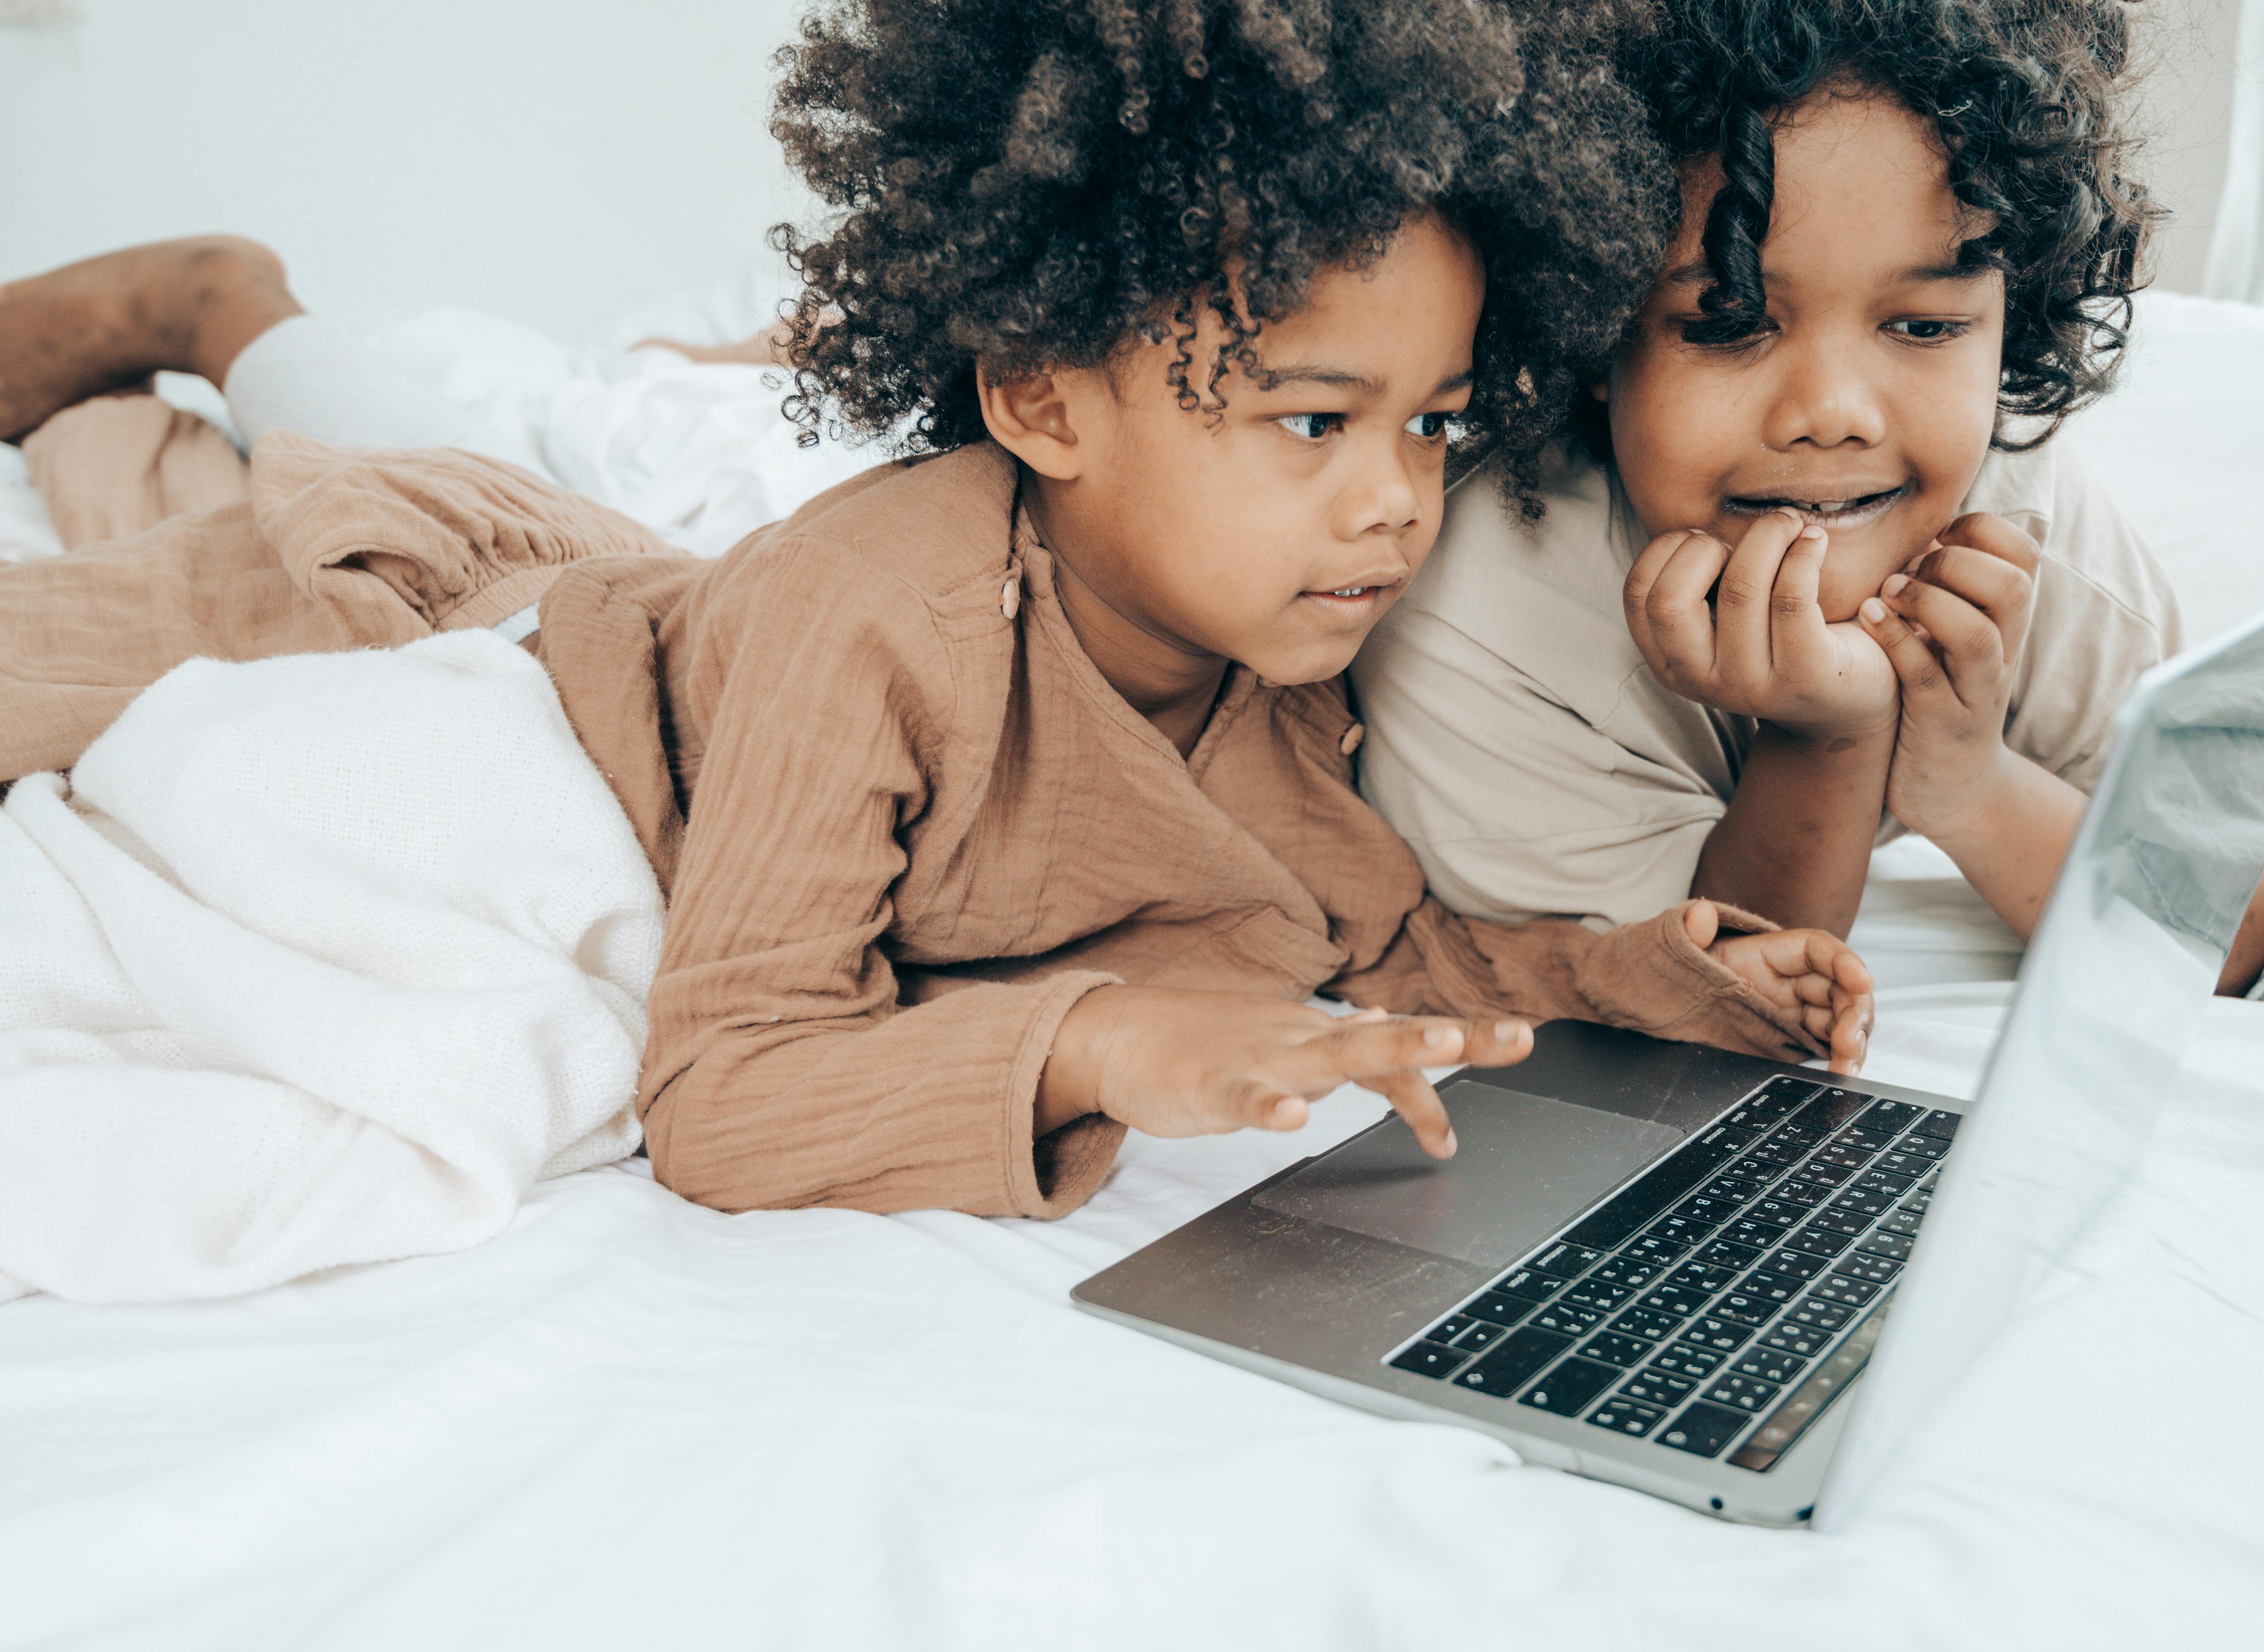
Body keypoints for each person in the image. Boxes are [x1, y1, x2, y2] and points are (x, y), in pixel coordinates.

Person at [0, 0, 1873, 1220]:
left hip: (635, 568)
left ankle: (249, 325)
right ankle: (215, 304)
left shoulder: (1287, 657)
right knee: (176, 590)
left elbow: (1377, 958)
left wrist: (1629, 974)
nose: (1396, 498)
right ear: (1043, 393)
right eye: (1313, 418)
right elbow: (724, 1087)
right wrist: (1087, 1042)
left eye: (1437, 422)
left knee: (480, 449)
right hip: (434, 641)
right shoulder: (880, 615)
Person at [1349, 0, 2264, 994]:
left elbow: (2245, 924)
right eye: (1729, 323)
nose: (1834, 414)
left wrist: (1972, 789)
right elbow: (1722, 1012)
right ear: (1596, 328)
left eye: (1927, 328)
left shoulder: (2014, 510)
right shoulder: (1480, 612)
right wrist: (1832, 734)